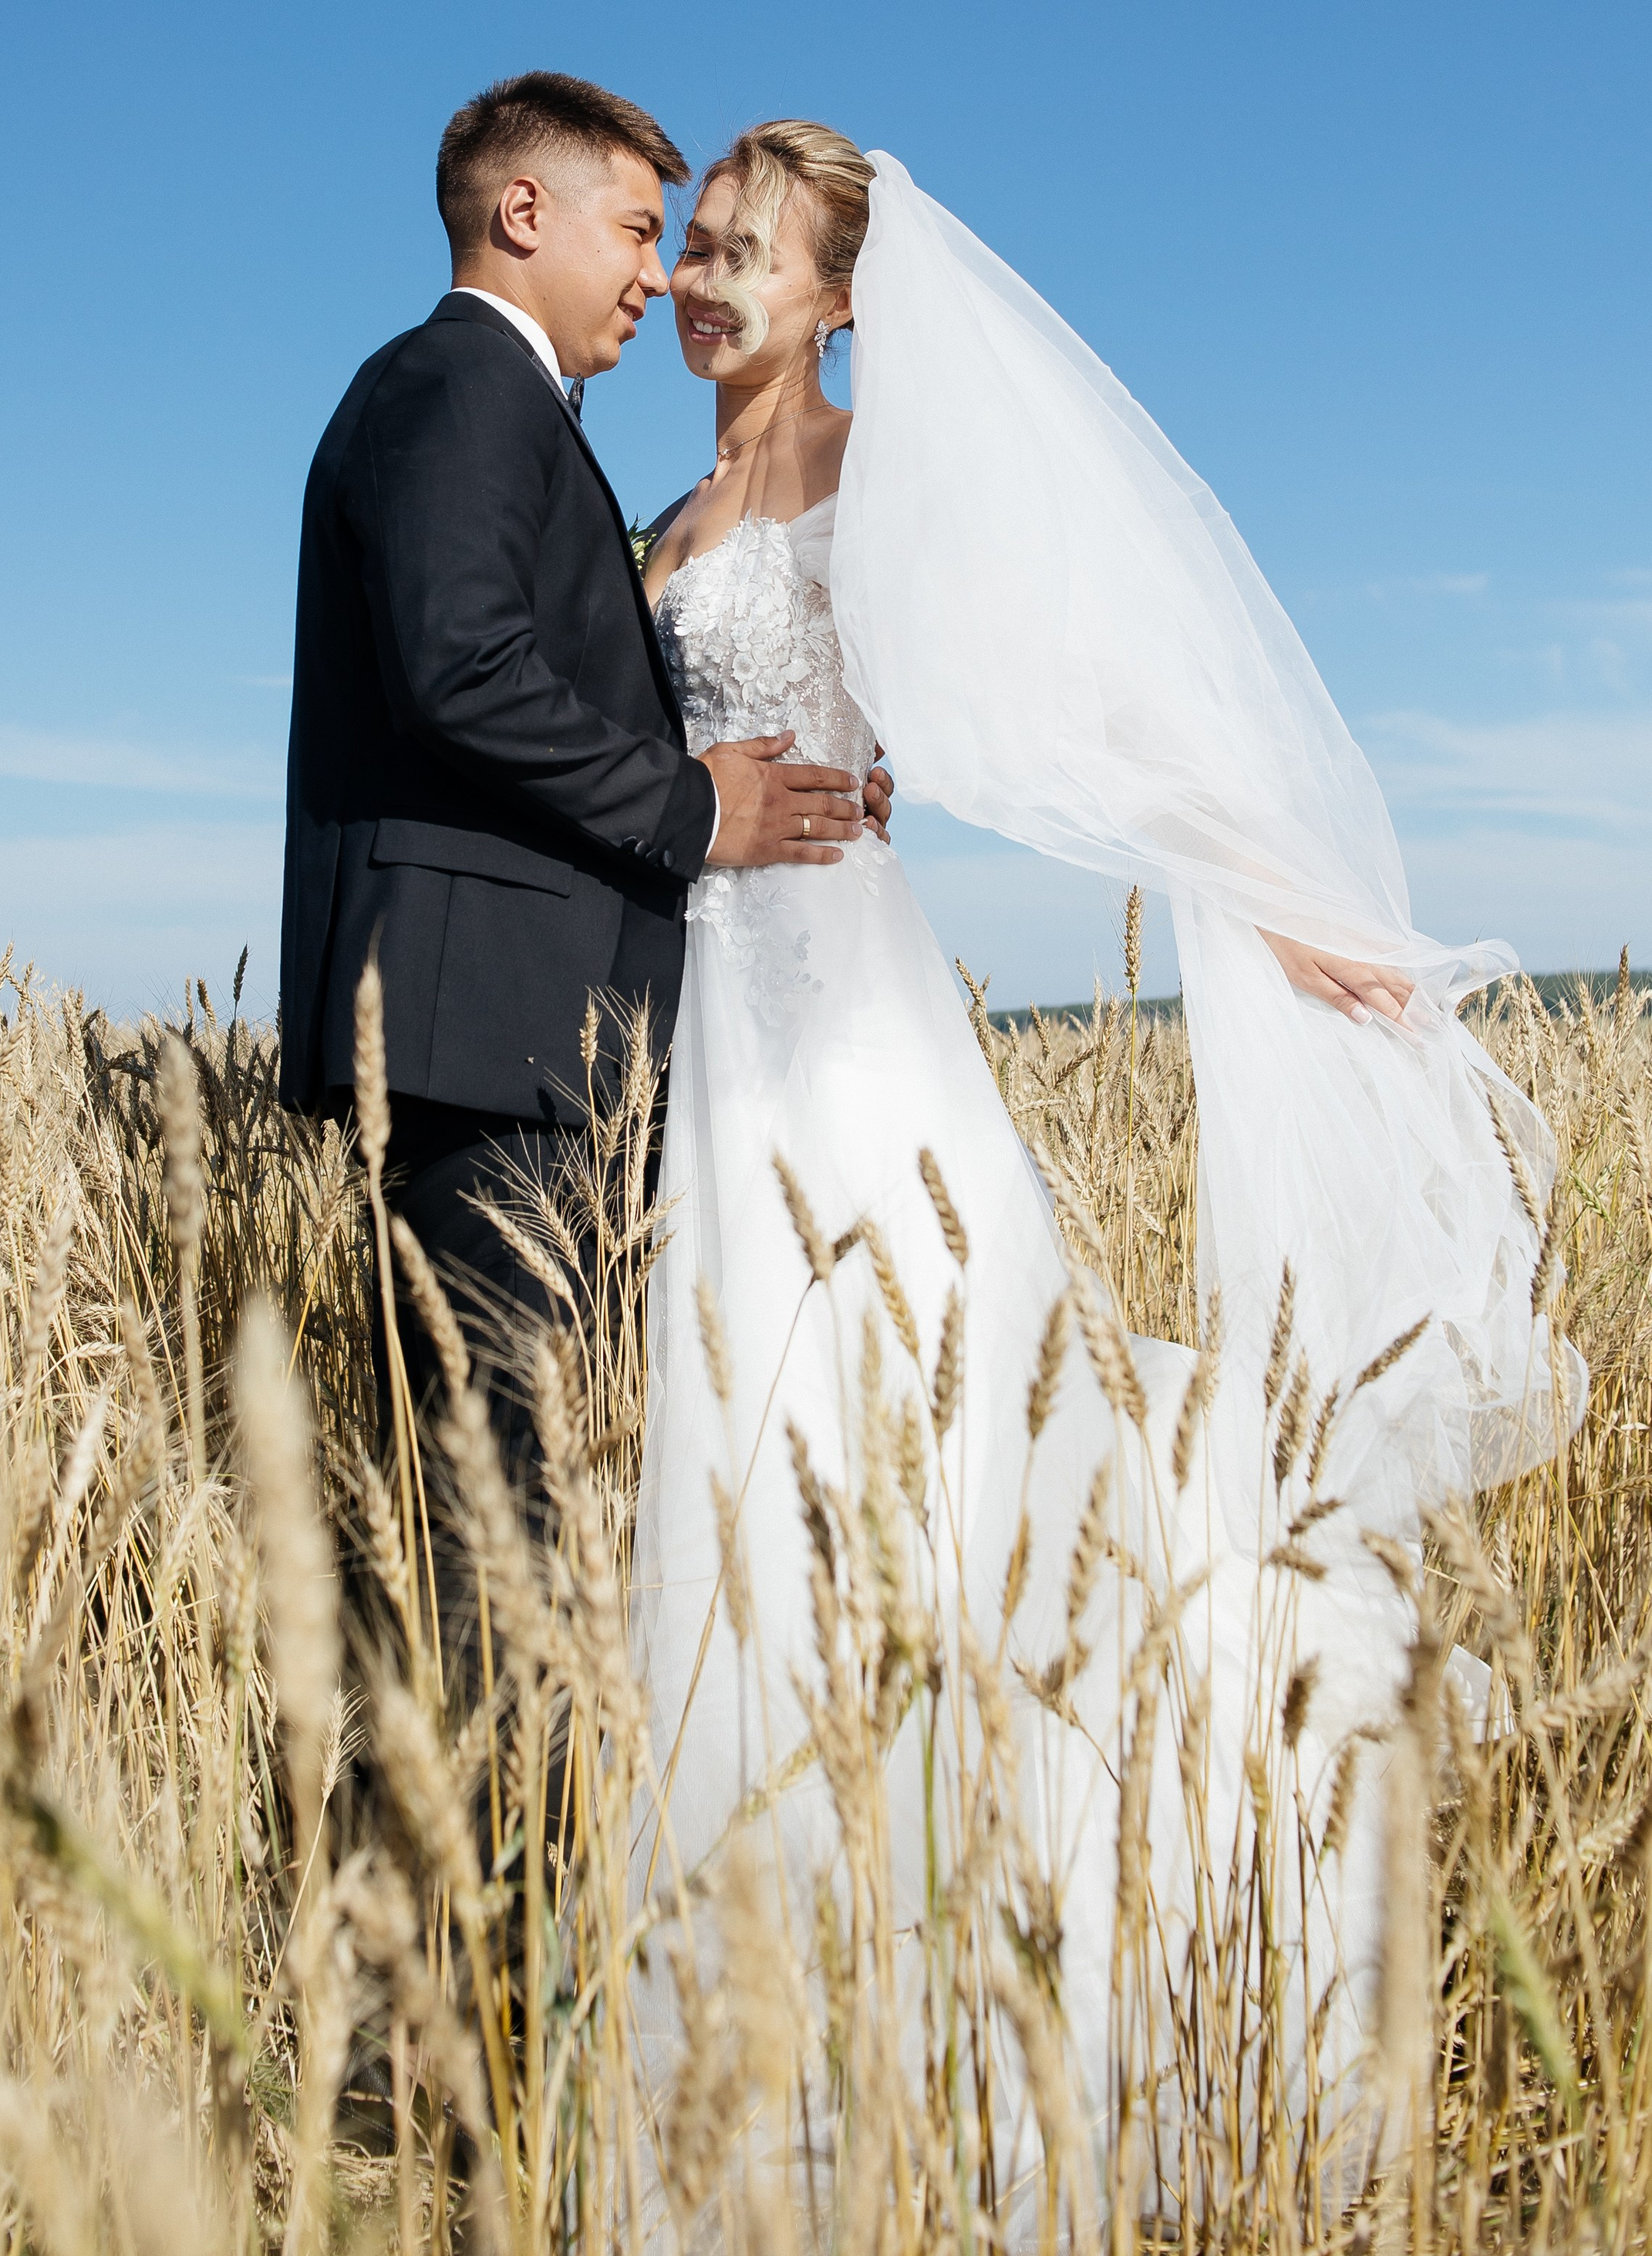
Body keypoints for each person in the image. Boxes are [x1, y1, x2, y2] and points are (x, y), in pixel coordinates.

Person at [629, 121, 1580, 2214]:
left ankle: (999, 2011)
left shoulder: (881, 489)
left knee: (926, 1474)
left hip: (857, 1032)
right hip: (710, 1033)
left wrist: (1316, 922)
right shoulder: (669, 517)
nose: (704, 278)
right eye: (692, 241)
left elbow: (1102, 730)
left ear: (845, 292)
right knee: (733, 1479)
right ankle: (765, 2016)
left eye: (748, 250)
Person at [276, 72, 890, 1662]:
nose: (666, 275)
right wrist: (694, 811)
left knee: (565, 1496)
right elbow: (462, 668)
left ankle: (527, 1864)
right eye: (650, 233)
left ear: (836, 298)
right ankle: (490, 1891)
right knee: (508, 1522)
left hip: (681, 1028)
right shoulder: (467, 389)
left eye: (714, 248)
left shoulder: (527, 419)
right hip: (504, 1041)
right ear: (523, 213)